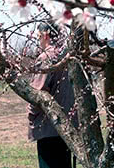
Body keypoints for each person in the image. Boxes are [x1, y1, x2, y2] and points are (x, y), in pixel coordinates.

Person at [28, 22, 77, 168]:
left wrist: (32, 115)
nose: (39, 41)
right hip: (67, 128)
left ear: (46, 34)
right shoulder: (68, 57)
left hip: (49, 127)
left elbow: (36, 95)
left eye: (38, 37)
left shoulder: (46, 58)